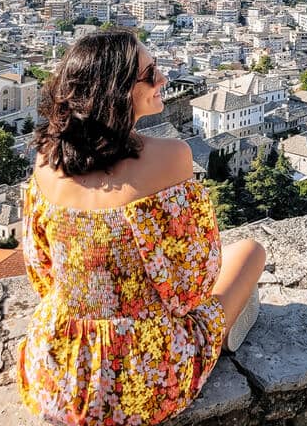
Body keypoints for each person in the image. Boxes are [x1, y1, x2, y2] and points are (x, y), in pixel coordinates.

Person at [17, 29, 266, 425]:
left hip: (59, 371)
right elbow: (193, 285)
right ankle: (226, 334)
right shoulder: (171, 158)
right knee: (251, 251)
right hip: (144, 375)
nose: (163, 80)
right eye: (150, 74)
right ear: (115, 91)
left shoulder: (47, 163)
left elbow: (41, 272)